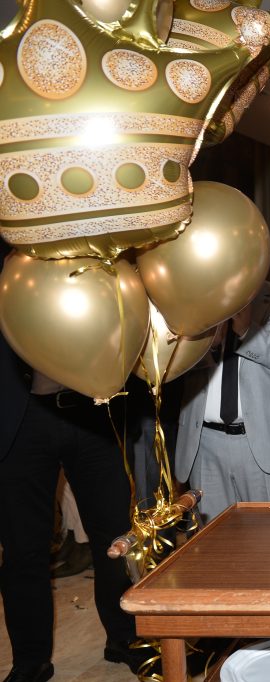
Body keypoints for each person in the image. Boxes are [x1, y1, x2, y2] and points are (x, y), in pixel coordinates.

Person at [0, 251, 145, 681]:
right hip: (20, 417)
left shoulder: (87, 244)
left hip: (92, 410)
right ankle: (31, 661)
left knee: (115, 535)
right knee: (23, 547)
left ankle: (124, 638)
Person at [175, 281, 270, 522]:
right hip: (204, 444)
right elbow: (175, 364)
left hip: (266, 443)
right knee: (212, 539)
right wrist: (208, 346)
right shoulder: (197, 298)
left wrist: (249, 331)